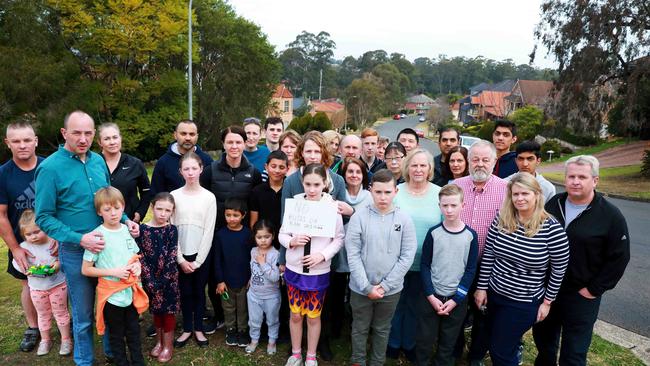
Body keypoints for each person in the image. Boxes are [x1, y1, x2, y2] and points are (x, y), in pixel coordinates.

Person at [35, 110, 140, 365]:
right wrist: (80, 239)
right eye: (76, 133)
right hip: (75, 252)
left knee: (109, 305)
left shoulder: (97, 161)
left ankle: (113, 354)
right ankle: (84, 360)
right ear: (64, 133)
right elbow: (44, 217)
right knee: (83, 316)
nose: (83, 139)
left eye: (87, 133)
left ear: (94, 134)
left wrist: (126, 222)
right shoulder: (50, 168)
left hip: (108, 249)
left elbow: (108, 201)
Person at [533, 155, 630, 366]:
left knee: (574, 353)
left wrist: (593, 289)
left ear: (595, 180)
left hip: (581, 296)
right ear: (565, 179)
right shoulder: (553, 204)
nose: (576, 181)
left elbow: (619, 258)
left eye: (582, 177)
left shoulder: (610, 215)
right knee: (544, 345)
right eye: (571, 176)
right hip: (548, 291)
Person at [474, 173, 570, 365]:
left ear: (537, 194)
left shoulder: (552, 229)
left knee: (501, 349)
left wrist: (548, 302)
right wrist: (482, 287)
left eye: (525, 193)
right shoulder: (502, 219)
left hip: (523, 301)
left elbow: (559, 268)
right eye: (515, 194)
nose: (520, 198)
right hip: (495, 294)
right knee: (494, 341)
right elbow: (490, 254)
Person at [279, 131, 352, 361]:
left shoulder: (336, 184)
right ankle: (296, 351)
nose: (312, 155)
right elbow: (285, 223)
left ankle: (316, 350)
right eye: (308, 150)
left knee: (317, 312)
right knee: (296, 313)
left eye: (316, 150)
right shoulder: (292, 183)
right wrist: (287, 250)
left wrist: (323, 255)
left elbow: (340, 227)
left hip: (321, 264)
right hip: (296, 262)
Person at [346, 169, 417, 366]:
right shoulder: (359, 217)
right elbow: (352, 253)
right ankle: (358, 360)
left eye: (387, 192)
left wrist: (385, 286)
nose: (383, 197)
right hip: (360, 288)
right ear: (370, 191)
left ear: (396, 191)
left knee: (382, 328)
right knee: (359, 327)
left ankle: (377, 361)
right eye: (378, 192)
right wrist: (367, 287)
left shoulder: (404, 220)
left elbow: (407, 255)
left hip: (391, 290)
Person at [451, 140, 508, 366]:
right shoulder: (456, 185)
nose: (480, 164)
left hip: (489, 265)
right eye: (475, 159)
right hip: (458, 263)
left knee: (483, 314)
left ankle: (476, 355)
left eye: (486, 160)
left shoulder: (505, 190)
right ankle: (454, 350)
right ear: (468, 161)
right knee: (456, 310)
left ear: (494, 162)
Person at [81, 187, 148, 366]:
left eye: (117, 208)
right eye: (107, 209)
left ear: (123, 207)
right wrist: (114, 272)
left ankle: (138, 361)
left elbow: (135, 256)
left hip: (130, 293)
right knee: (116, 334)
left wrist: (136, 266)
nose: (113, 213)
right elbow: (86, 269)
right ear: (99, 212)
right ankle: (121, 361)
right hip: (111, 296)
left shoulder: (127, 231)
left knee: (134, 330)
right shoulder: (96, 236)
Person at [387, 149, 442, 362]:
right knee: (395, 304)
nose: (418, 169)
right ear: (406, 167)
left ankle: (409, 343)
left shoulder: (439, 193)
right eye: (414, 165)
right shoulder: (396, 191)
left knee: (415, 306)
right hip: (396, 261)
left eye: (423, 165)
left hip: (425, 263)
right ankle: (393, 343)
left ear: (430, 169)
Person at [416, 184, 478, 366]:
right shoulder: (434, 233)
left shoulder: (470, 236)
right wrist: (430, 294)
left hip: (456, 299)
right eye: (445, 206)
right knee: (425, 339)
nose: (449, 210)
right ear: (439, 206)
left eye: (453, 205)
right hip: (431, 296)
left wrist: (457, 298)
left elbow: (470, 270)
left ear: (463, 206)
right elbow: (425, 264)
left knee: (448, 341)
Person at [0, 120, 45, 352]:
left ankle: (64, 324)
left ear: (35, 140)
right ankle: (33, 327)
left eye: (27, 140)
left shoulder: (50, 167)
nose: (23, 145)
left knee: (62, 283)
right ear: (8, 144)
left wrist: (58, 237)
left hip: (54, 241)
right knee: (29, 284)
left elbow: (63, 204)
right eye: (16, 141)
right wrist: (15, 248)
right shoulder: (3, 174)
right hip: (24, 244)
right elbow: (1, 215)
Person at [171, 152, 216, 348]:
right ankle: (187, 328)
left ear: (201, 169)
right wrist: (180, 259)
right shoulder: (174, 196)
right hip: (180, 254)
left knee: (199, 291)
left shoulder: (209, 197)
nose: (190, 173)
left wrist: (198, 261)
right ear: (180, 171)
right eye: (186, 169)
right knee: (185, 291)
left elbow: (209, 230)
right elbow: (171, 228)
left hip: (201, 254)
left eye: (194, 168)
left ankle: (198, 327)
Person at [12, 210, 72, 356]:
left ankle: (66, 339)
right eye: (28, 234)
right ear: (23, 235)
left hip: (58, 285)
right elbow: (17, 263)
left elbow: (63, 257)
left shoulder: (53, 242)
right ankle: (45, 340)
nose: (33, 237)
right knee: (43, 314)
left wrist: (57, 264)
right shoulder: (24, 248)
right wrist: (25, 269)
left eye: (37, 232)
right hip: (37, 289)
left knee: (61, 312)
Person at [328, 157, 373, 340]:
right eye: (350, 171)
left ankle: (357, 329)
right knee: (336, 294)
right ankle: (335, 329)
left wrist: (352, 213)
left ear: (363, 175)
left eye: (358, 172)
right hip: (338, 252)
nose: (354, 175)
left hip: (360, 253)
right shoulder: (338, 195)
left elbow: (372, 224)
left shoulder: (370, 197)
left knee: (358, 295)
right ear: (344, 174)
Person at [137, 192, 179, 363]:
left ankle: (168, 345)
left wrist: (163, 280)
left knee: (167, 312)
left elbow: (172, 255)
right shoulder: (142, 230)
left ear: (172, 211)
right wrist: (150, 280)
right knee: (156, 311)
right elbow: (141, 256)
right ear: (152, 207)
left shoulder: (171, 230)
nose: (163, 214)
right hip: (150, 280)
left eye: (167, 210)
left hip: (169, 280)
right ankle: (159, 342)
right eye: (159, 209)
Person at [214, 198, 253, 348]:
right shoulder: (220, 235)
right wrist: (220, 280)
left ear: (243, 215)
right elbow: (217, 259)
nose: (231, 219)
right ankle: (230, 329)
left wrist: (251, 277)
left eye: (235, 215)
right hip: (226, 281)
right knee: (228, 307)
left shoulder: (248, 235)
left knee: (243, 307)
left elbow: (252, 258)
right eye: (228, 215)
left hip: (244, 280)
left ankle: (243, 330)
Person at [98, 122, 152, 223]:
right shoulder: (93, 164)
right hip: (99, 224)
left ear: (120, 138)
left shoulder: (135, 163)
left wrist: (140, 213)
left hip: (129, 223)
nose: (112, 142)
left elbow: (146, 192)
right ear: (100, 142)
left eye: (115, 137)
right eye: (107, 139)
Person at [245, 219, 282, 355]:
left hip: (271, 296)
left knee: (272, 320)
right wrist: (251, 279)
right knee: (254, 320)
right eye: (259, 237)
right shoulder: (253, 251)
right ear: (254, 237)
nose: (263, 240)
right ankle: (254, 340)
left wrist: (262, 263)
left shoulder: (275, 254)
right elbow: (253, 268)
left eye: (267, 237)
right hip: (254, 294)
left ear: (273, 236)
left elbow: (274, 277)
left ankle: (272, 341)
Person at [150, 120, 213, 195]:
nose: (188, 138)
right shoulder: (163, 163)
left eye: (192, 134)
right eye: (183, 134)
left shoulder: (207, 161)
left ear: (197, 136)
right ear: (175, 135)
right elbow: (156, 195)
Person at [249, 150, 289, 240]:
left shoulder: (290, 190)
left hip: (287, 241)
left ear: (287, 169)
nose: (277, 170)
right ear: (266, 167)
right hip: (264, 241)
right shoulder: (257, 191)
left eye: (281, 167)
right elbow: (253, 223)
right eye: (273, 166)